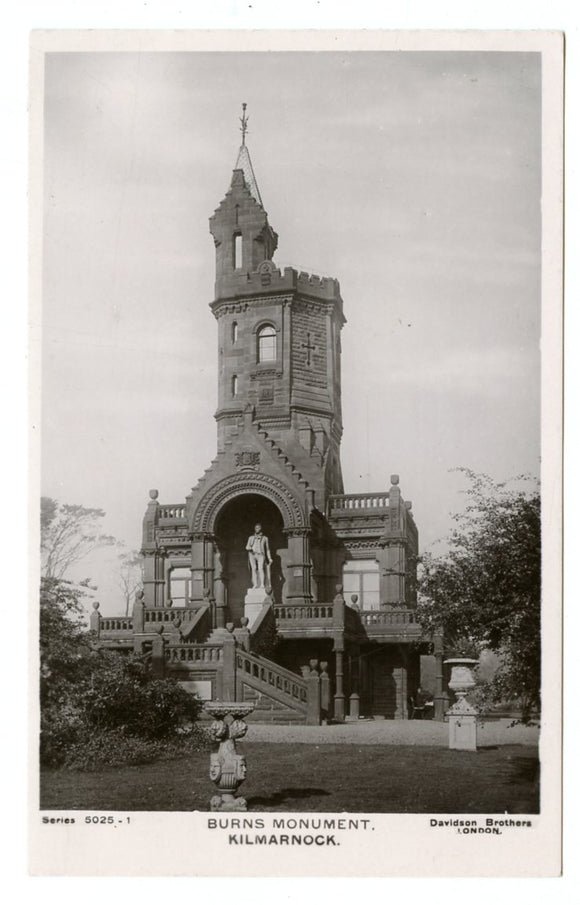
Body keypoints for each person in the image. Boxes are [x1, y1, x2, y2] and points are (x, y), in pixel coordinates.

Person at [245, 523, 272, 589]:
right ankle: (255, 584)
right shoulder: (251, 538)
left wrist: (269, 558)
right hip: (252, 554)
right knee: (253, 569)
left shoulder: (265, 538)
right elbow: (247, 547)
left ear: (261, 528)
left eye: (258, 528)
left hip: (260, 554)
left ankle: (262, 584)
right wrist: (250, 549)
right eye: (256, 528)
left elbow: (267, 549)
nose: (257, 529)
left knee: (261, 568)